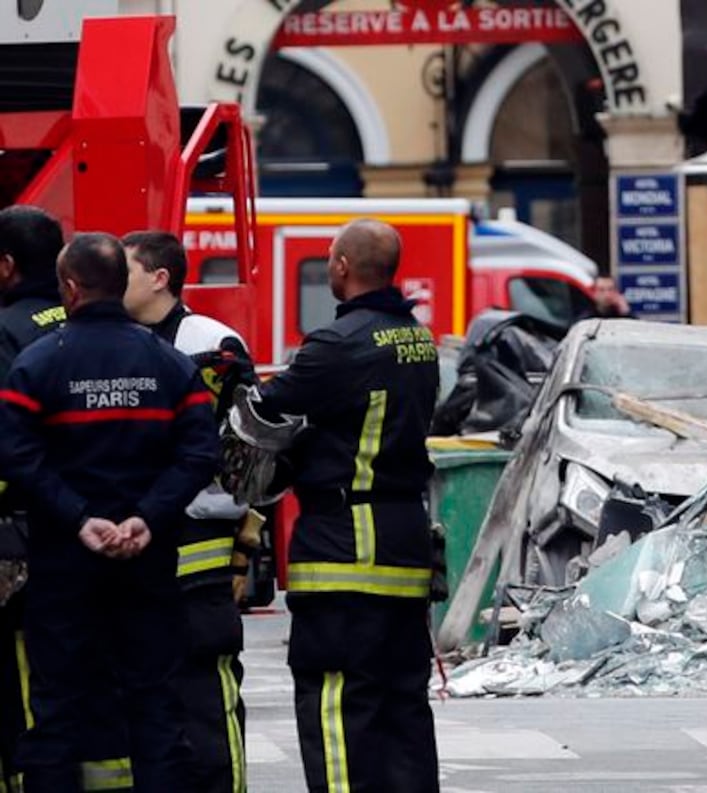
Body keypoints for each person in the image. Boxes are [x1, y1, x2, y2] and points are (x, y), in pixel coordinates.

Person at [0, 232, 220, 792]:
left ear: (69, 288)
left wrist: (78, 517)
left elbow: (16, 453)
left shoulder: (37, 365)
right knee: (155, 707)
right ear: (121, 286)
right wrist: (147, 516)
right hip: (147, 565)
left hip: (62, 565)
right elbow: (200, 452)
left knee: (56, 711)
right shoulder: (169, 364)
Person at [228, 219, 440, 791]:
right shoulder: (417, 338)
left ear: (343, 266)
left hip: (347, 547)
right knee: (403, 708)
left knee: (335, 704)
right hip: (404, 542)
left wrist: (233, 384)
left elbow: (262, 415)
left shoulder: (338, 345)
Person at [0, 208, 133, 793]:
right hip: (112, 538)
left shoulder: (5, 332)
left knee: (31, 696)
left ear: (6, 266)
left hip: (25, 543)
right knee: (102, 686)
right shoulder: (114, 333)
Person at [122, 230, 256, 793]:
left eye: (125, 270)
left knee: (206, 696)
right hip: (138, 545)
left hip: (202, 537)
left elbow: (248, 448)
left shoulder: (210, 342)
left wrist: (247, 540)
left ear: (160, 278)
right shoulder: (119, 340)